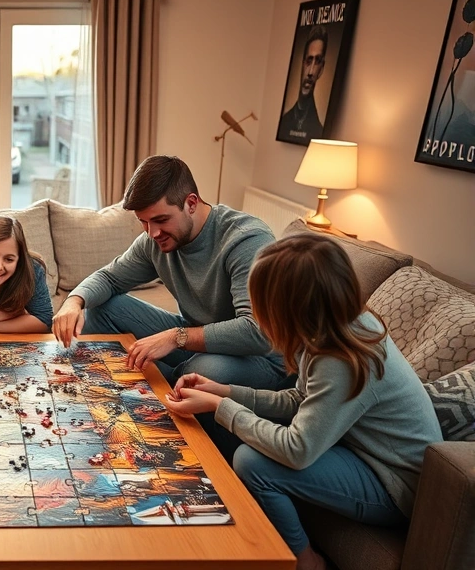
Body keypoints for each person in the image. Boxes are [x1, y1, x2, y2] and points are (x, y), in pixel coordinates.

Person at [162, 234, 442, 570]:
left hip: (394, 486)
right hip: (357, 450)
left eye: (262, 308)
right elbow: (299, 398)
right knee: (249, 434)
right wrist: (223, 391)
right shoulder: (332, 327)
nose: (259, 319)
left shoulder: (341, 358)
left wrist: (220, 408)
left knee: (253, 461)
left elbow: (297, 450)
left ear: (292, 308)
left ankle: (306, 561)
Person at [52, 155, 291, 392]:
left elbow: (258, 332)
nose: (152, 233)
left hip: (262, 360)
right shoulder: (153, 240)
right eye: (143, 222)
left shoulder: (247, 240)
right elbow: (109, 278)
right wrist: (74, 301)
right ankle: (160, 379)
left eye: (161, 220)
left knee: (204, 372)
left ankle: (152, 380)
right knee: (100, 306)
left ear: (191, 203)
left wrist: (175, 337)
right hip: (197, 341)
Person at [278, 25, 327, 142]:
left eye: (317, 62)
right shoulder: (284, 122)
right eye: (309, 60)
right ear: (302, 62)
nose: (310, 72)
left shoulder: (318, 131)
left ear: (321, 69)